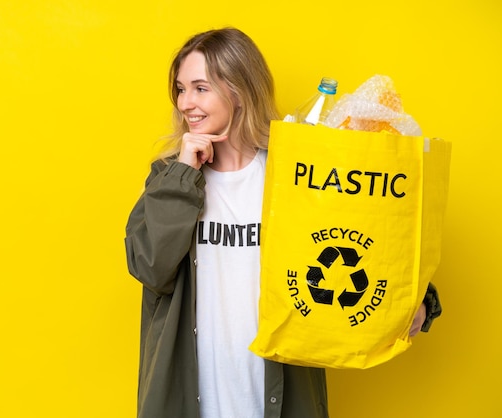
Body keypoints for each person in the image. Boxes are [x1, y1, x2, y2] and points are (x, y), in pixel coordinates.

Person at [124, 27, 441, 418]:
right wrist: (183, 174)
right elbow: (148, 266)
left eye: (200, 88)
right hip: (190, 399)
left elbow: (361, 239)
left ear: (238, 90)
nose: (185, 102)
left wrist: (417, 302)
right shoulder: (170, 178)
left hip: (280, 397)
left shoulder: (294, 174)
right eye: (180, 88)